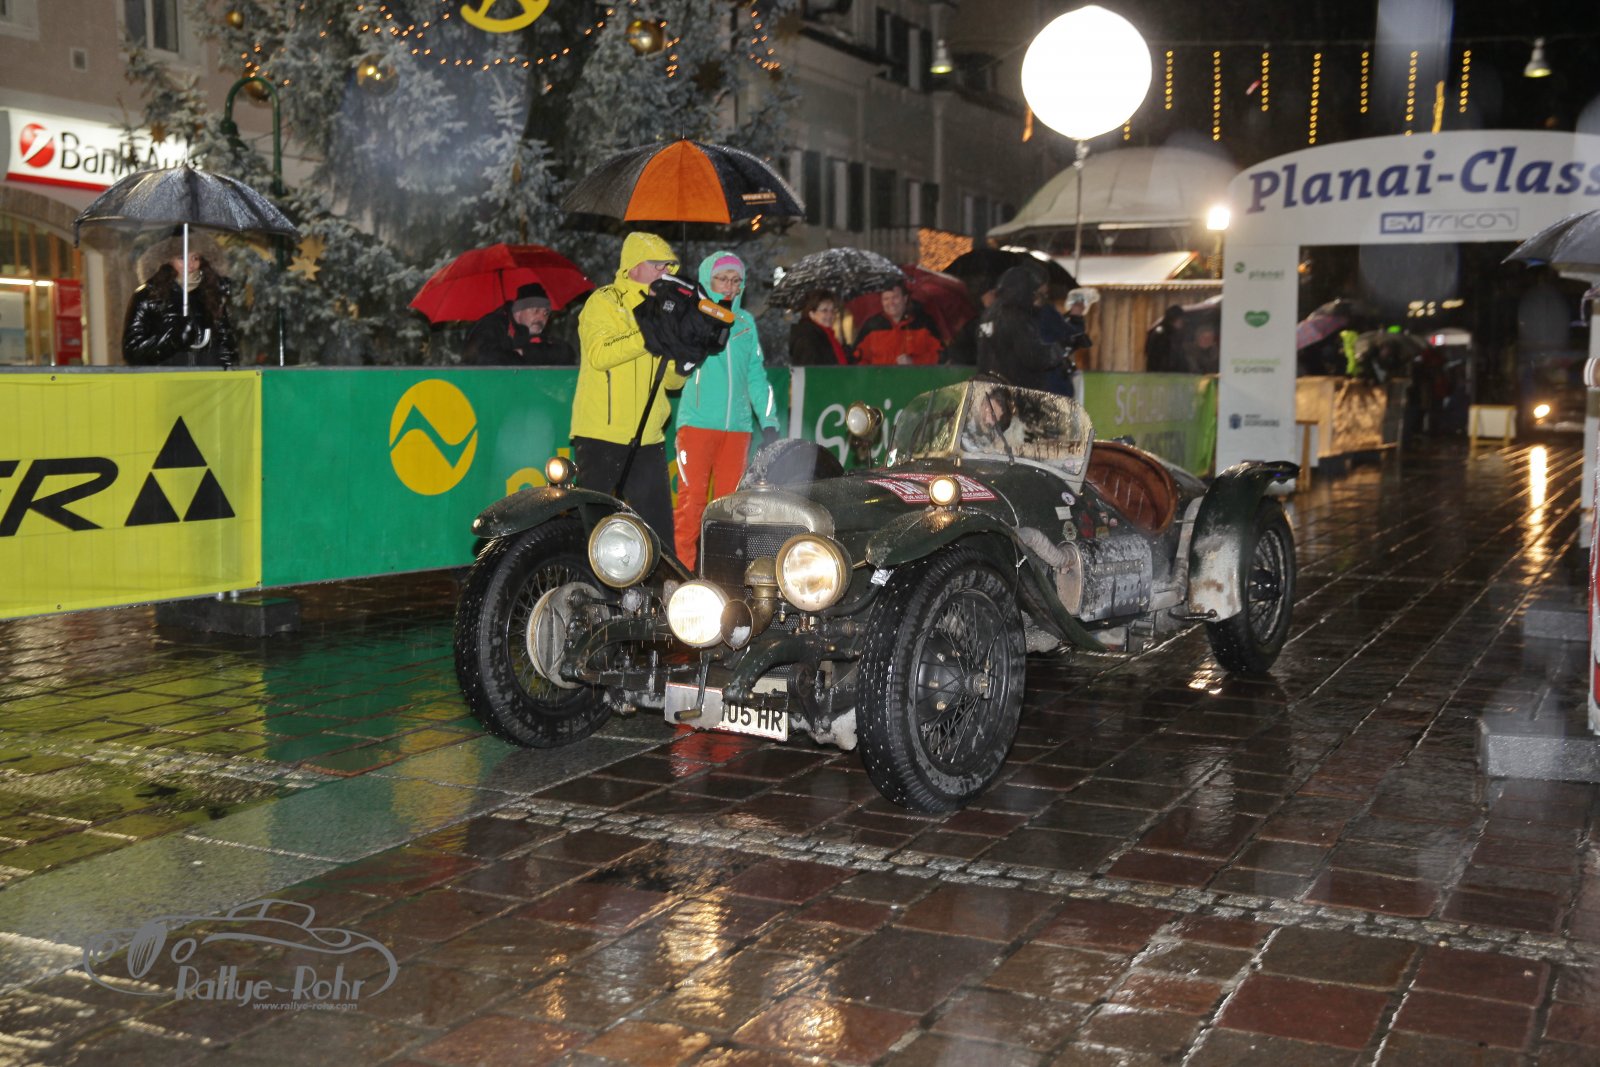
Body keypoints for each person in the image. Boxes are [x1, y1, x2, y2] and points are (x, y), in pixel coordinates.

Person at [571, 232, 689, 543]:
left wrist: (685, 362)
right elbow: (600, 354)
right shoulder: (605, 301)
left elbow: (672, 382)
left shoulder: (667, 310)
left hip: (649, 437)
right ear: (634, 266)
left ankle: (661, 577)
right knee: (595, 532)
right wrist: (649, 334)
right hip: (601, 435)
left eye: (669, 266)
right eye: (657, 265)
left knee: (659, 536)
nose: (665, 272)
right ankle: (590, 577)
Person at [673, 251, 781, 568]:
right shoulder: (693, 317)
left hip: (737, 429)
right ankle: (681, 573)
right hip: (697, 424)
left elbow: (756, 377)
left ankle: (724, 573)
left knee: (731, 508)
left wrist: (769, 421)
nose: (730, 287)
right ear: (708, 280)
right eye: (722, 279)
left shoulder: (745, 323)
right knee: (692, 504)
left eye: (736, 281)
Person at [122, 231, 238, 367]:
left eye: (195, 258)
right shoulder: (148, 296)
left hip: (207, 378)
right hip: (167, 378)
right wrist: (170, 341)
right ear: (167, 260)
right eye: (182, 258)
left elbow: (226, 346)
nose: (190, 265)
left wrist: (227, 372)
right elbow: (132, 353)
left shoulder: (212, 293)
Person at [974, 264, 1055, 391]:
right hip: (1015, 391)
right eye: (1039, 294)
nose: (1039, 301)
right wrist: (1058, 351)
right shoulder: (1016, 317)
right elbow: (1033, 356)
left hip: (991, 389)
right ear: (1027, 291)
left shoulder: (990, 313)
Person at [462, 282, 575, 365]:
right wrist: (522, 357)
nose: (541, 318)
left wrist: (525, 352)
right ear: (518, 312)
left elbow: (566, 353)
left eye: (546, 313)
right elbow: (484, 358)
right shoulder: (492, 325)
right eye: (535, 311)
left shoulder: (536, 332)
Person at [851, 281, 942, 365]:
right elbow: (857, 358)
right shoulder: (872, 326)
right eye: (886, 299)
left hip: (915, 377)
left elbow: (941, 356)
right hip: (881, 377)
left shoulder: (923, 323)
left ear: (905, 299)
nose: (891, 303)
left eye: (895, 297)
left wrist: (914, 361)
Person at [788, 289, 849, 366]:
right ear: (812, 314)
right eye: (824, 310)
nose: (830, 315)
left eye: (832, 310)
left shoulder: (828, 337)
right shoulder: (808, 339)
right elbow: (810, 369)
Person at [1145, 304, 1187, 373]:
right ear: (1174, 319)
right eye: (1181, 319)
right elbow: (1156, 356)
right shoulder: (1161, 333)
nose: (1182, 322)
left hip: (1168, 372)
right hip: (1161, 373)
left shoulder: (1174, 333)